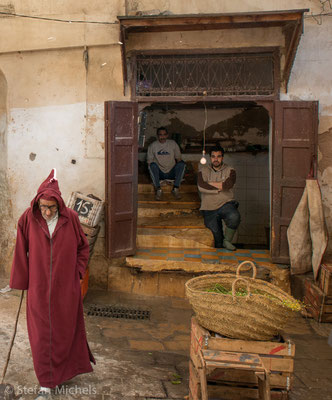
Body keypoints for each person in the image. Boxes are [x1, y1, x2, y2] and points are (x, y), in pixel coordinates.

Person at [10, 169, 95, 399]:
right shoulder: (28, 218)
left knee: (65, 331)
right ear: (37, 203)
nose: (47, 212)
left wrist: (77, 272)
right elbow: (20, 250)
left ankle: (63, 371)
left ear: (59, 205)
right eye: (43, 207)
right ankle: (46, 384)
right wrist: (21, 280)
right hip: (38, 287)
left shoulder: (71, 220)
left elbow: (83, 248)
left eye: (51, 208)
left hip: (65, 288)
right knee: (40, 336)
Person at [197, 145, 240, 250]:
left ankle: (227, 241)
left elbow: (228, 185)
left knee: (234, 217)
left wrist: (210, 184)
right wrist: (220, 186)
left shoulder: (230, 170)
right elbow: (201, 186)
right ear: (210, 158)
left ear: (222, 158)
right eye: (213, 156)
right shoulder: (203, 170)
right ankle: (221, 250)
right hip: (209, 207)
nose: (216, 159)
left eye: (218, 156)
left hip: (226, 203)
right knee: (217, 240)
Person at [147, 127, 186, 200]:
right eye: (160, 135)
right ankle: (158, 189)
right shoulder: (153, 145)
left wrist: (179, 173)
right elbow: (149, 163)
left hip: (171, 172)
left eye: (164, 134)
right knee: (152, 165)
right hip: (160, 174)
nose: (162, 137)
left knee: (182, 163)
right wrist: (153, 176)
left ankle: (176, 188)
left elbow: (178, 159)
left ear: (167, 135)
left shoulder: (173, 144)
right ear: (157, 136)